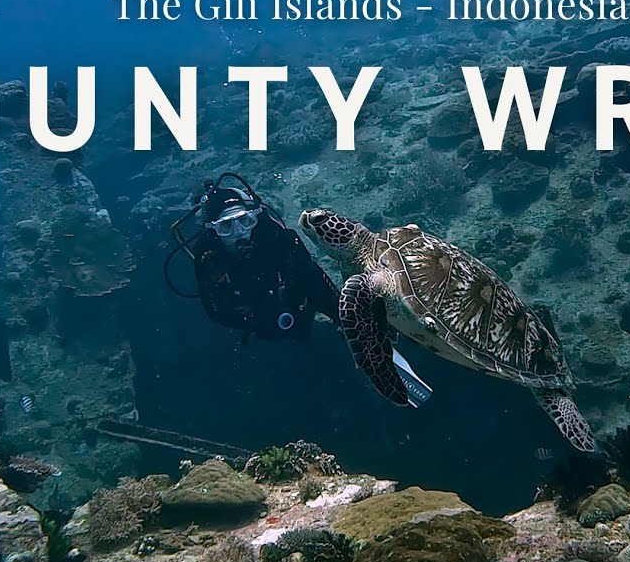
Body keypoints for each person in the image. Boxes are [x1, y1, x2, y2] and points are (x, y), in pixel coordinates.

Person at [165, 173, 431, 405]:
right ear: (213, 231)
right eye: (226, 226)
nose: (239, 232)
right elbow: (215, 310)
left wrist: (342, 316)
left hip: (298, 307)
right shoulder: (209, 259)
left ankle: (381, 371)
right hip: (258, 331)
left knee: (333, 329)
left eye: (245, 221)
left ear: (255, 217)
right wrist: (255, 321)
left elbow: (313, 277)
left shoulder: (277, 238)